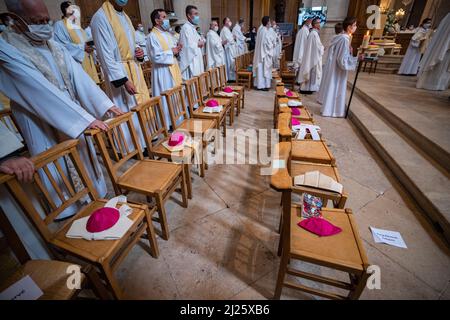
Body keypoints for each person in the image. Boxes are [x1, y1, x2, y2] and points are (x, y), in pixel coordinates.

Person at [1, 0, 123, 213]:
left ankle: (94, 195)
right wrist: (83, 119)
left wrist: (105, 105)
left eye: (47, 20)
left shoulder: (53, 44)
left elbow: (79, 76)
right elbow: (36, 88)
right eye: (37, 21)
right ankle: (68, 209)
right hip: (38, 116)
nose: (45, 26)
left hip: (73, 112)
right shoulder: (7, 47)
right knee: (56, 164)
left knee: (83, 156)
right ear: (16, 20)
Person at [90, 0, 150, 147]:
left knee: (137, 106)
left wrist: (139, 53)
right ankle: (129, 147)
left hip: (132, 66)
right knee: (124, 110)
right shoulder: (101, 17)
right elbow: (105, 54)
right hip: (119, 71)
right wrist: (124, 80)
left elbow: (130, 43)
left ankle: (143, 141)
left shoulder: (124, 16)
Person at [319, 17, 363, 117]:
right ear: (349, 27)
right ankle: (332, 111)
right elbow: (342, 60)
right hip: (338, 70)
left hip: (335, 68)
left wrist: (350, 54)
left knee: (333, 87)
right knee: (336, 88)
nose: (356, 27)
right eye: (354, 25)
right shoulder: (344, 39)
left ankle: (329, 109)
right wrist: (356, 59)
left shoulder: (341, 37)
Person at [146, 8, 183, 128]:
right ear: (157, 20)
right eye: (164, 17)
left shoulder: (167, 34)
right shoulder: (152, 36)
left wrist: (177, 50)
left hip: (172, 69)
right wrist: (172, 51)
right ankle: (167, 125)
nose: (166, 20)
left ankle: (177, 120)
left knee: (174, 97)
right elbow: (154, 57)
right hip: (163, 72)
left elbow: (173, 51)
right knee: (165, 99)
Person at [53, 1, 100, 83]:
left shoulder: (76, 25)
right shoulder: (59, 25)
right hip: (77, 63)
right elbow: (61, 46)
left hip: (87, 59)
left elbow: (85, 40)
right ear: (66, 10)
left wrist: (91, 44)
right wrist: (82, 47)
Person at [416, 13, 450, 91]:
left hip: (446, 49)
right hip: (445, 49)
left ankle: (440, 84)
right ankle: (433, 84)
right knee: (440, 67)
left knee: (443, 69)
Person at [178, 5, 205, 80]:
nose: (197, 16)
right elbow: (186, 46)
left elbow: (199, 41)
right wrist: (197, 44)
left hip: (197, 59)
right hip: (191, 61)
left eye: (197, 14)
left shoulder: (192, 28)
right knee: (193, 83)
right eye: (195, 14)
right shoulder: (186, 28)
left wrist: (201, 42)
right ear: (189, 15)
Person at [298, 17, 324, 94]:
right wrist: (322, 48)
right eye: (319, 23)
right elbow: (316, 48)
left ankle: (308, 88)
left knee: (311, 73)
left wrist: (321, 48)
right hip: (312, 57)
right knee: (310, 72)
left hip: (311, 56)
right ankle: (305, 89)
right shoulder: (313, 34)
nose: (320, 24)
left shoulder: (314, 33)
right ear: (315, 24)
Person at [252, 16, 275, 91]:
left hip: (261, 53)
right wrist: (273, 44)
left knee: (260, 70)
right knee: (263, 70)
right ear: (267, 22)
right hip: (264, 55)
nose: (270, 22)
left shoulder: (261, 30)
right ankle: (262, 86)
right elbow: (267, 44)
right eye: (269, 21)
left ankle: (259, 84)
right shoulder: (265, 31)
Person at [293, 18, 311, 83]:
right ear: (308, 22)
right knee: (301, 66)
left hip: (299, 51)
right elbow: (305, 43)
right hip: (302, 51)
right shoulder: (305, 31)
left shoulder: (301, 30)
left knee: (299, 67)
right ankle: (299, 81)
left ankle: (298, 80)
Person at [220, 17, 238, 81]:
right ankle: (231, 78)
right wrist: (233, 37)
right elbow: (227, 40)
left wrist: (233, 38)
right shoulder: (224, 30)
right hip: (229, 49)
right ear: (225, 22)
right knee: (230, 63)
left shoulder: (227, 29)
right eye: (228, 20)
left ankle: (233, 77)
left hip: (232, 48)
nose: (230, 22)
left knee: (233, 62)